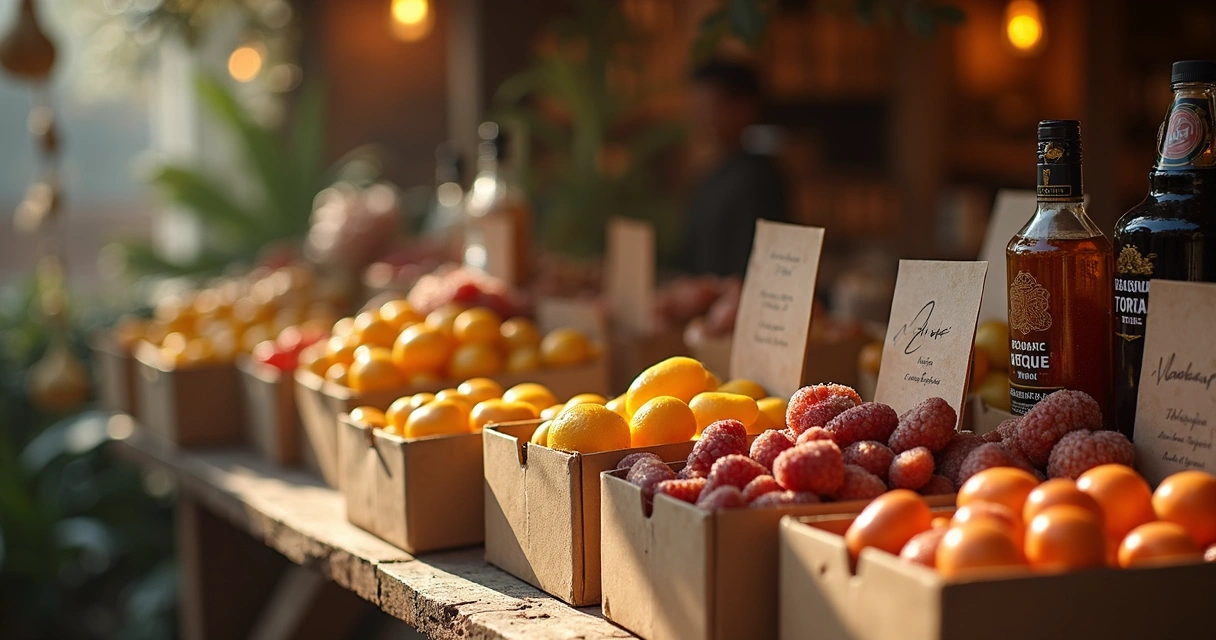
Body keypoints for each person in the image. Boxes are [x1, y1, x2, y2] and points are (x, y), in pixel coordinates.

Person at [682, 59, 790, 277]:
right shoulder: (711, 174)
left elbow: (757, 267)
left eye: (711, 106)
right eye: (698, 107)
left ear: (745, 108)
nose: (701, 117)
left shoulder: (759, 179)